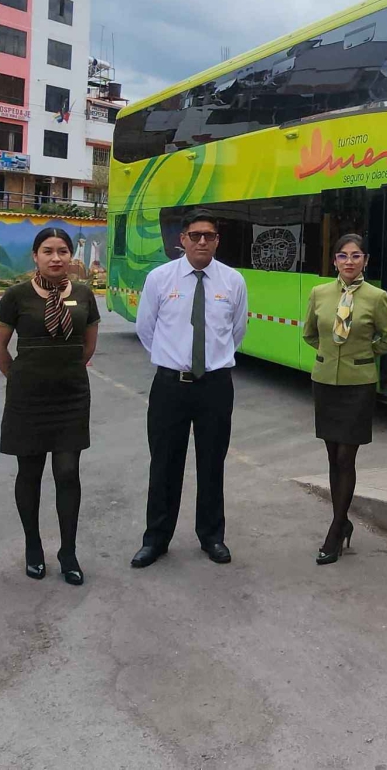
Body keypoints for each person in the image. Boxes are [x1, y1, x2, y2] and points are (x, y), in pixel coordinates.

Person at [131, 210, 247, 569]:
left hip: (215, 386)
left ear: (217, 241)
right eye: (195, 235)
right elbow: (146, 328)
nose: (201, 241)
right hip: (170, 387)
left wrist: (210, 362)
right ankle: (156, 539)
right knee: (164, 463)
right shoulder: (160, 278)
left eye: (209, 236)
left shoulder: (233, 281)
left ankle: (212, 536)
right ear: (182, 240)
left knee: (212, 463)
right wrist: (172, 360)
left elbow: (236, 331)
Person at [0, 228, 100, 585]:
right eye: (48, 251)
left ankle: (68, 552)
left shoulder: (83, 294)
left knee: (68, 472)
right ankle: (33, 547)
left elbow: (88, 346)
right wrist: (19, 378)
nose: (56, 258)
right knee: (30, 472)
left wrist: (64, 369)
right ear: (35, 256)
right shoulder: (16, 296)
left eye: (63, 251)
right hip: (28, 399)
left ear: (71, 256)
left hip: (71, 396)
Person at [301, 234, 387, 564]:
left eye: (356, 256)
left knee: (346, 457)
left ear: (365, 261)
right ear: (334, 261)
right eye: (342, 256)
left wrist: (362, 353)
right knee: (332, 456)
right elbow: (310, 333)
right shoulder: (319, 293)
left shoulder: (376, 297)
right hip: (325, 382)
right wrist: (331, 355)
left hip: (358, 385)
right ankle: (342, 522)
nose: (349, 262)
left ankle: (335, 528)